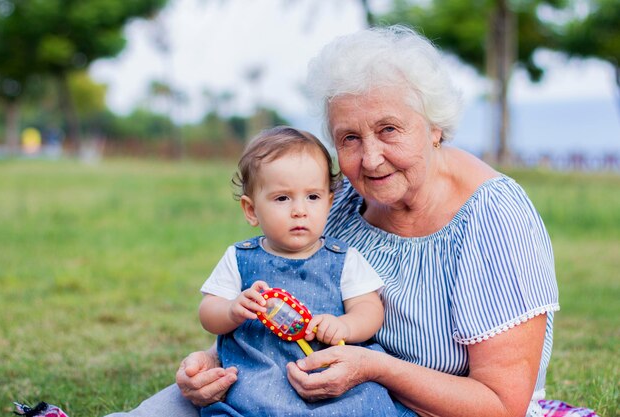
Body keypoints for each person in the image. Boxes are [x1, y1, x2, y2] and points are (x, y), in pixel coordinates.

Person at [106, 26, 600, 417]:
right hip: (303, 389)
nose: (371, 159)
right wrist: (209, 364)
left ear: (435, 128)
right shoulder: (340, 198)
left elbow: (500, 406)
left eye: (389, 130)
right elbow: (284, 300)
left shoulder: (493, 221)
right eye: (349, 138)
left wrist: (373, 368)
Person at [196, 126, 395, 416]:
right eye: (282, 198)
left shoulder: (344, 259)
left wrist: (347, 326)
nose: (299, 210)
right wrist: (231, 311)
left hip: (331, 374)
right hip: (261, 375)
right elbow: (208, 311)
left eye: (312, 197)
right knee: (244, 405)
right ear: (251, 210)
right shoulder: (239, 258)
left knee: (365, 401)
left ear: (329, 202)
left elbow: (370, 308)